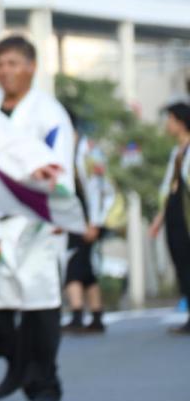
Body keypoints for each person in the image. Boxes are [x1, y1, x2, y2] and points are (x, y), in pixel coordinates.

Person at [0, 35, 75, 401]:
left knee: (40, 299)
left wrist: (59, 209)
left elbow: (62, 163)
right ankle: (17, 362)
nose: (6, 71)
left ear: (32, 67)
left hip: (37, 217)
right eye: (0, 64)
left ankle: (44, 381)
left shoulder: (48, 113)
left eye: (14, 63)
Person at [63, 121, 116, 335]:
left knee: (73, 266)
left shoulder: (88, 153)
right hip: (77, 218)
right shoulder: (72, 153)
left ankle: (77, 315)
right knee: (85, 270)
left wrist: (93, 223)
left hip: (89, 219)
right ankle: (96, 316)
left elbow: (96, 190)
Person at [149, 100, 190, 335]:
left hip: (187, 214)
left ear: (181, 122)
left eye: (170, 119)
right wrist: (158, 220)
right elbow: (168, 188)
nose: (167, 124)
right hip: (176, 217)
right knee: (182, 263)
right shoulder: (176, 152)